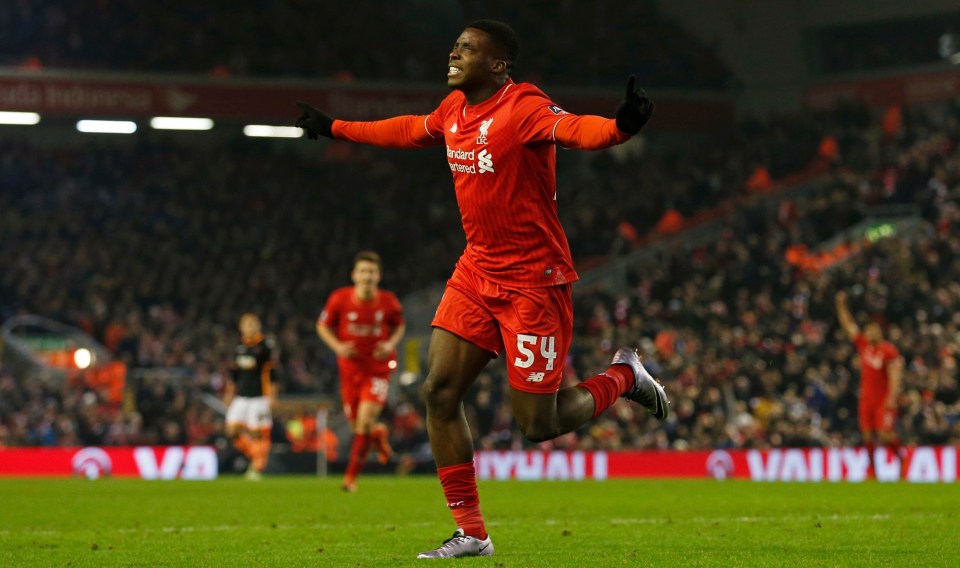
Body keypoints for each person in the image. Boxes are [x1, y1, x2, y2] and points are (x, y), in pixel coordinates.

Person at [296, 20, 667, 558]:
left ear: (497, 64)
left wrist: (622, 126)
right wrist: (335, 129)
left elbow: (578, 130)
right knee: (438, 391)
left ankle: (623, 376)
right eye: (454, 44)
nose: (453, 51)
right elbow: (404, 130)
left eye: (466, 48)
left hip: (533, 285)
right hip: (476, 273)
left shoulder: (524, 107)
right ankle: (472, 532)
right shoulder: (452, 112)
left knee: (538, 425)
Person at [317, 251, 406, 492]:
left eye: (372, 272)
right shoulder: (340, 299)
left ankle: (350, 479)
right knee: (359, 427)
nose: (367, 276)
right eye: (363, 271)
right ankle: (378, 435)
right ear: (354, 275)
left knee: (364, 421)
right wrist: (338, 347)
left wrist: (389, 344)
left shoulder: (388, 301)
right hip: (349, 371)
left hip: (377, 370)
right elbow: (323, 325)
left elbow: (399, 326)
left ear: (378, 276)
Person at [835, 290, 904, 478]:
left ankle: (901, 458)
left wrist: (892, 396)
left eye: (875, 329)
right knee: (867, 435)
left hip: (883, 398)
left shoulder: (889, 350)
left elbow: (895, 374)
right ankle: (873, 471)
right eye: (869, 330)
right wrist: (841, 306)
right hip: (866, 398)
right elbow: (849, 326)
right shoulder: (864, 345)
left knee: (884, 434)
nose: (871, 332)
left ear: (880, 332)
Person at [224, 313, 276, 480]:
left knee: (257, 433)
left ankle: (256, 468)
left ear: (258, 326)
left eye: (253, 323)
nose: (250, 326)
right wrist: (229, 393)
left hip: (259, 397)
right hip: (242, 397)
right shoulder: (238, 347)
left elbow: (272, 373)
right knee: (231, 430)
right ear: (241, 327)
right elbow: (234, 374)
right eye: (247, 324)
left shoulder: (265, 347)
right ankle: (255, 455)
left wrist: (273, 396)